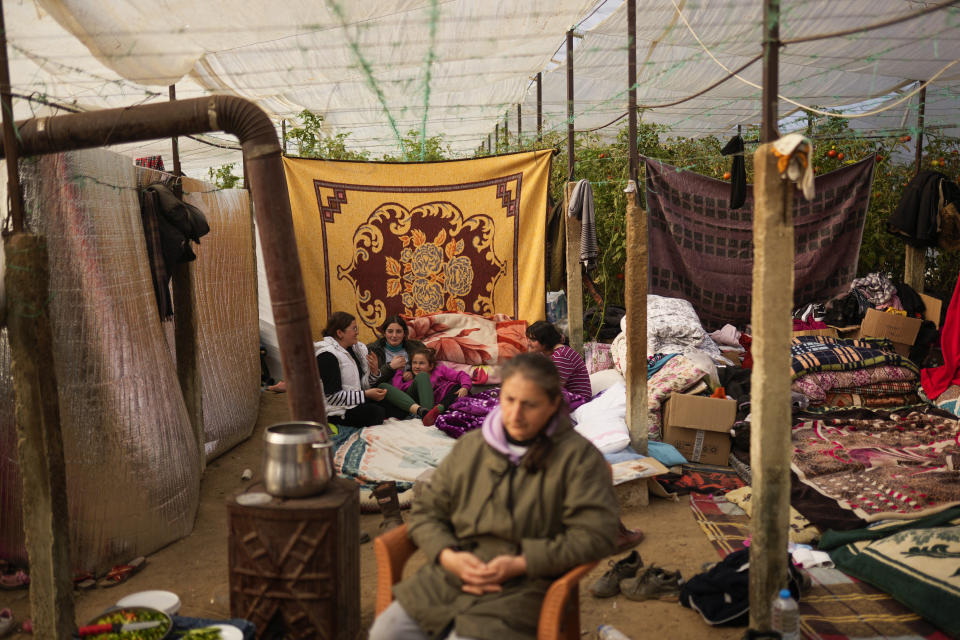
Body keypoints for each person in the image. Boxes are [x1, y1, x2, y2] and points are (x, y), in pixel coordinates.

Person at [368, 353, 619, 640]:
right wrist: (447, 555)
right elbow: (428, 509)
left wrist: (521, 563)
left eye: (530, 404)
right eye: (510, 400)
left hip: (523, 586)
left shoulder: (578, 459)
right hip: (448, 578)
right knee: (387, 632)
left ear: (553, 405)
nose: (516, 414)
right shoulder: (473, 446)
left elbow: (597, 534)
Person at [314, 311, 395, 427]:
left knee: (394, 407)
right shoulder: (327, 356)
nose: (357, 332)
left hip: (354, 402)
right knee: (377, 413)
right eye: (354, 329)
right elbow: (332, 398)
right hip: (337, 411)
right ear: (340, 333)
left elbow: (361, 385)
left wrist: (375, 371)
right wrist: (366, 395)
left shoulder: (353, 350)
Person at [385, 347, 472, 427]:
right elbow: (397, 389)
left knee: (457, 389)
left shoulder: (440, 370)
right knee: (423, 377)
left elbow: (461, 375)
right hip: (432, 406)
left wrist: (465, 387)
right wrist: (399, 371)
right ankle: (431, 412)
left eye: (421, 363)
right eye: (414, 363)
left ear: (431, 366)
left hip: (451, 395)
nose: (417, 366)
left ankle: (437, 410)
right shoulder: (411, 381)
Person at [525, 320, 592, 404]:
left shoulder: (561, 355)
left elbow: (553, 387)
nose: (528, 342)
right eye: (528, 339)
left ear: (546, 341)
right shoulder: (545, 354)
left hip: (579, 399)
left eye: (533, 340)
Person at [367, 315, 427, 387]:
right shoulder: (373, 350)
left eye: (398, 332)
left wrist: (413, 374)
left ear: (404, 333)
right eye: (390, 331)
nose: (394, 335)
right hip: (386, 392)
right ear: (384, 333)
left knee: (423, 376)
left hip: (410, 389)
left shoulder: (417, 347)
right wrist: (390, 367)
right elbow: (371, 382)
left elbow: (428, 368)